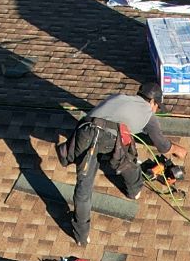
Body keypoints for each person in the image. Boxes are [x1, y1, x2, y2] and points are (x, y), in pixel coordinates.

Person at [62, 88, 173, 242]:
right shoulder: (148, 114)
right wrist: (177, 150)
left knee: (84, 185)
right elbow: (162, 145)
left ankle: (81, 235)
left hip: (84, 132)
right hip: (108, 138)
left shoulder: (119, 97)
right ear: (152, 102)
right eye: (157, 106)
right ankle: (134, 190)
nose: (156, 110)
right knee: (127, 161)